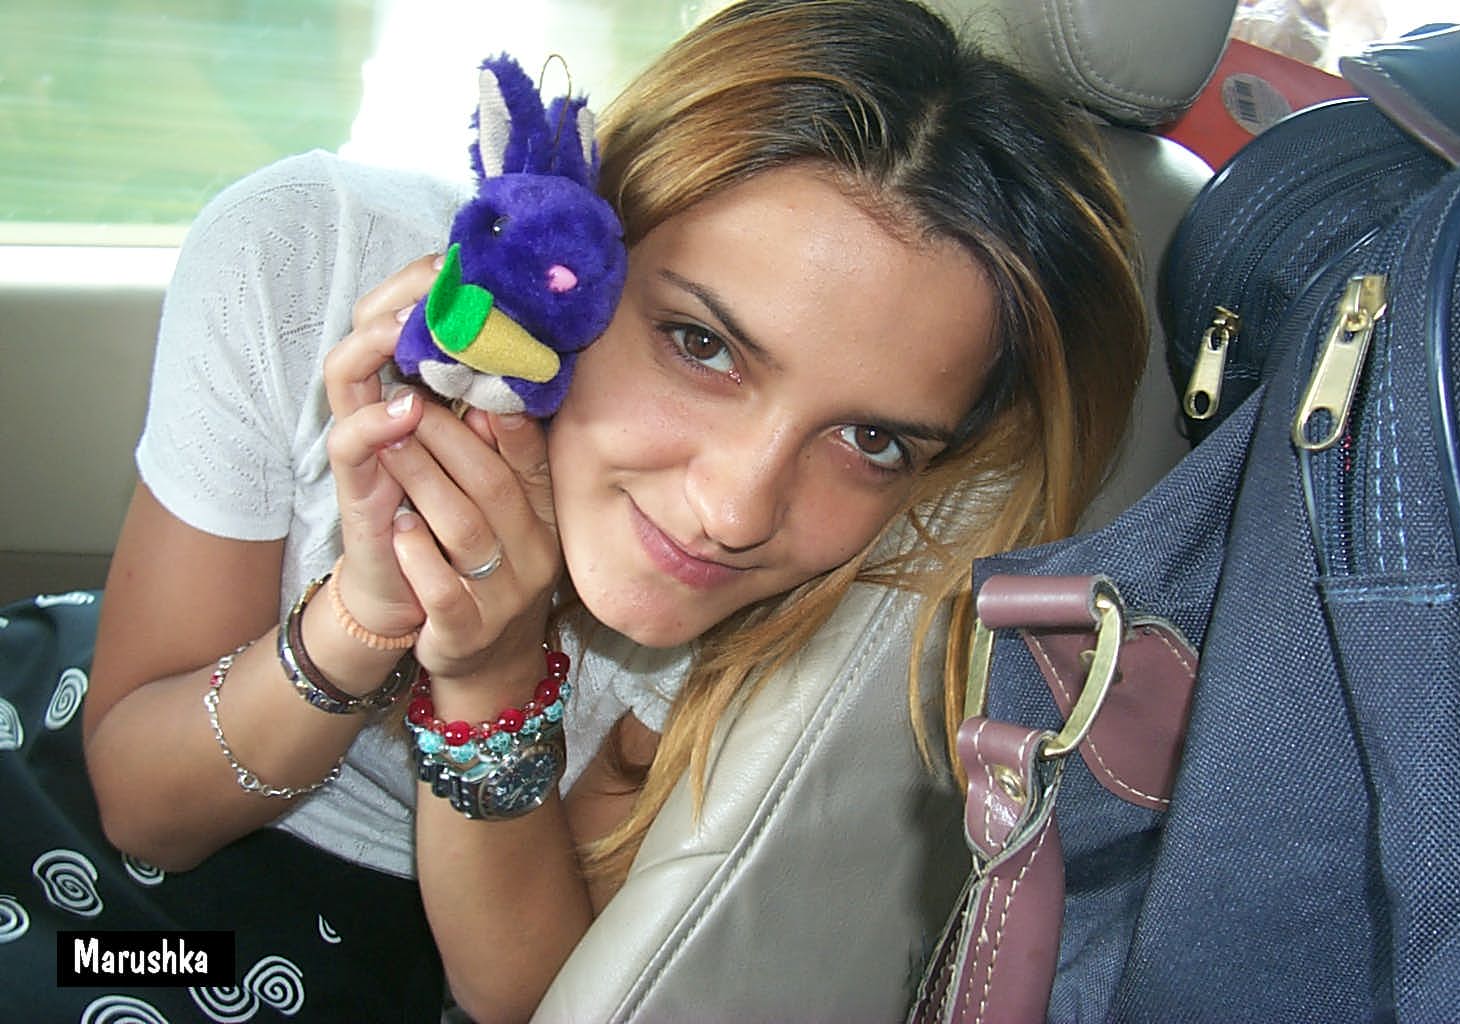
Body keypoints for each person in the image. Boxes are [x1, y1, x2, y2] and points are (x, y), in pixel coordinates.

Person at [0, 0, 1146, 1020]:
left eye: (871, 440)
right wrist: (363, 612)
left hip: (352, 942)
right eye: (702, 344)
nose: (734, 508)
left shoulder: (833, 600)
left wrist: (489, 671)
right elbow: (142, 804)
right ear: (586, 240)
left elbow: (525, 994)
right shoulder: (307, 252)